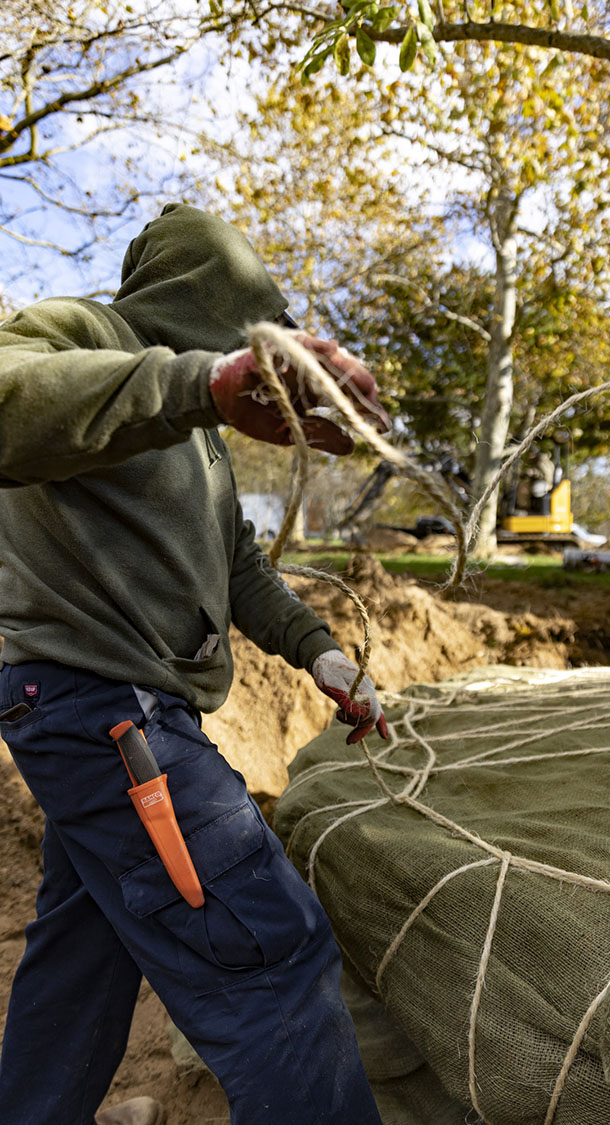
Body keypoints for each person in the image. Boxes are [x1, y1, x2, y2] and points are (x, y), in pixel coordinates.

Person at [0, 203, 391, 1125]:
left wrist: (322, 654)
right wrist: (203, 385)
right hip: (106, 712)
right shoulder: (82, 335)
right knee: (271, 956)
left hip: (115, 720)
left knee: (82, 953)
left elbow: (240, 568)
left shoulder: (200, 440)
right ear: (184, 304)